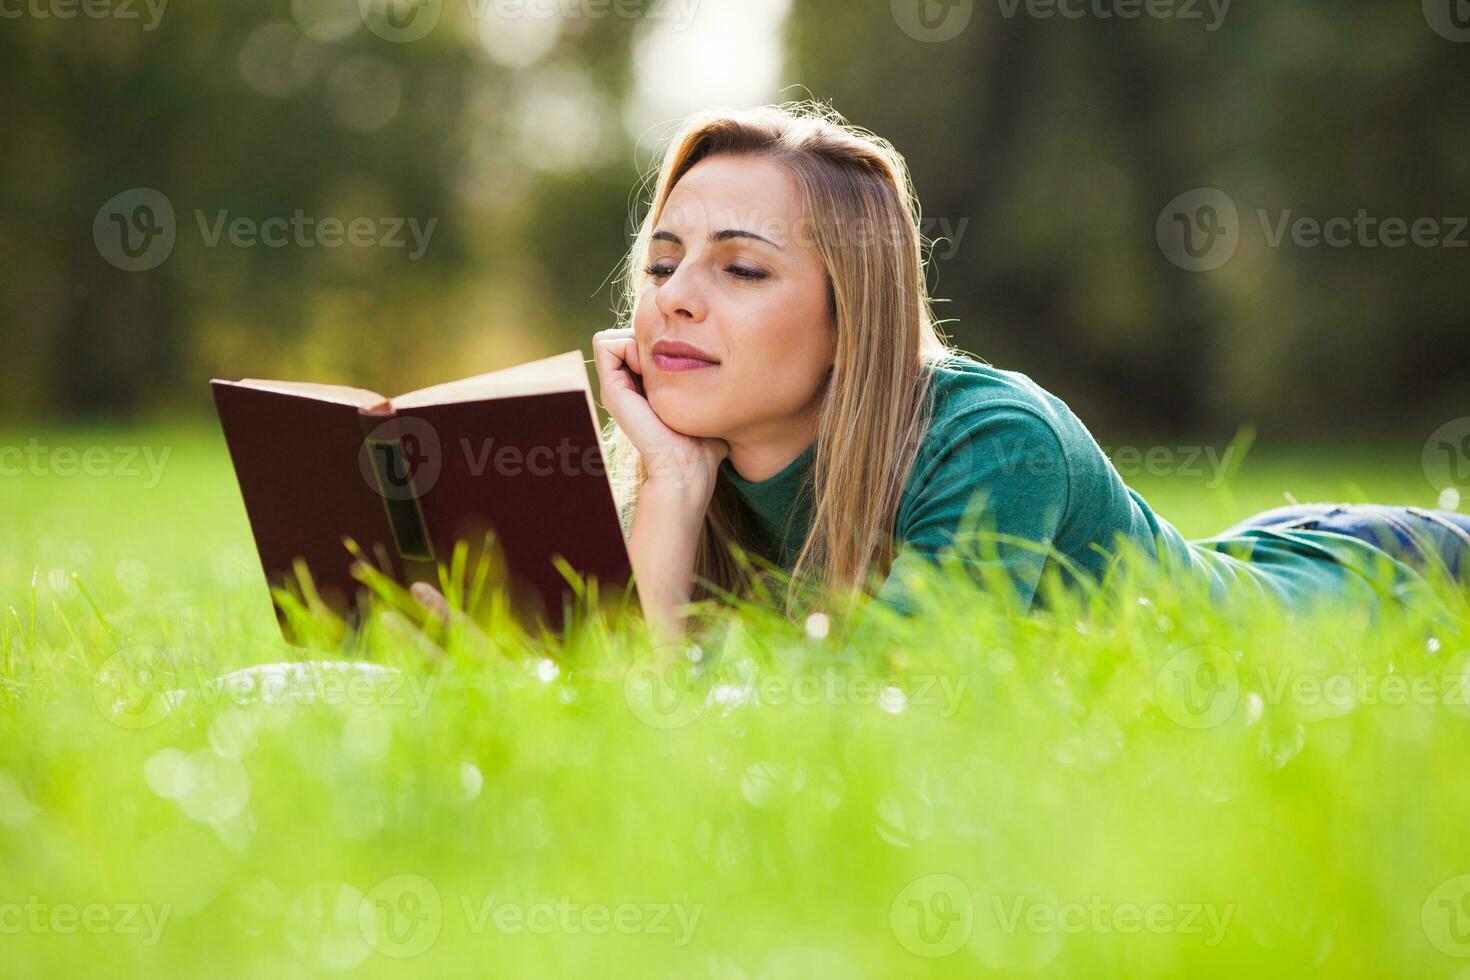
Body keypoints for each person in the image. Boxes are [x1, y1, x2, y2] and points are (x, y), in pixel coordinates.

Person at [422, 102, 1470, 642]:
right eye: (661, 263)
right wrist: (675, 483)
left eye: (741, 266)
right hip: (1276, 540)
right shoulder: (706, 480)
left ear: (852, 315)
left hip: (1394, 580)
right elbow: (633, 708)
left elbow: (897, 690)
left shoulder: (991, 437)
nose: (675, 296)